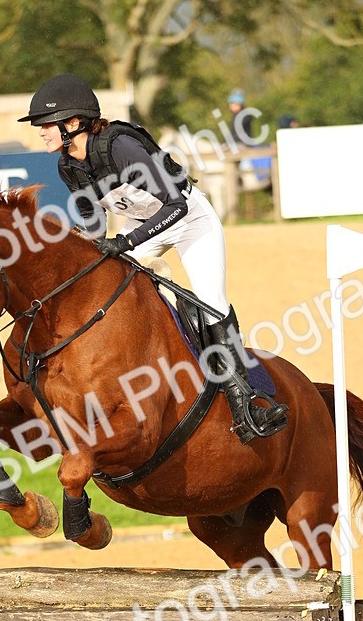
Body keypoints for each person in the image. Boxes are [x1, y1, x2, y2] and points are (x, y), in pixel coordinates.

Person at [17, 73, 287, 443]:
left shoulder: (120, 147)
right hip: (142, 226)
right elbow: (94, 223)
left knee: (210, 303)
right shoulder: (69, 166)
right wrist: (77, 241)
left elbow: (175, 205)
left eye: (46, 124)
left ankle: (248, 400)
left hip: (190, 220)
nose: (41, 132)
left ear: (73, 123)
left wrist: (126, 241)